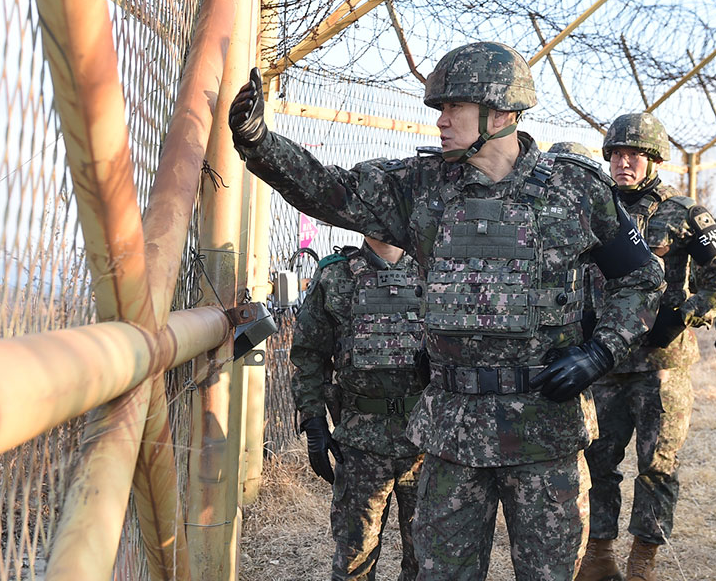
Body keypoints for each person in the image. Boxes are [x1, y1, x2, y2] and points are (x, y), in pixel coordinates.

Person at [229, 43, 664, 580]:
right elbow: (330, 191)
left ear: (500, 114)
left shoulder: (576, 189)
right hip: (451, 433)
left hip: (545, 431)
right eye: (440, 108)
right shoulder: (422, 187)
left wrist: (601, 352)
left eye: (454, 107)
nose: (440, 121)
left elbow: (641, 278)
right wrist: (259, 141)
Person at [577, 112, 716, 581]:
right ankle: (599, 554)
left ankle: (643, 559)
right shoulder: (593, 207)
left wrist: (685, 314)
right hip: (604, 361)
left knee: (658, 465)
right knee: (597, 461)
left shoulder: (683, 212)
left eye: (635, 155)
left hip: (660, 365)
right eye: (616, 154)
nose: (624, 163)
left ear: (653, 160)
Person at [291, 235, 427, 581]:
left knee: (427, 560)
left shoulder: (434, 270)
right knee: (355, 557)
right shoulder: (335, 275)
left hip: (425, 440)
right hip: (360, 442)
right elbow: (309, 354)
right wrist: (313, 421)